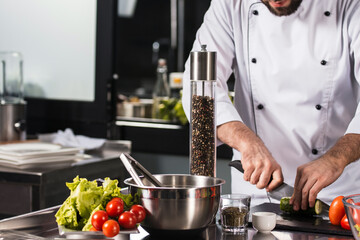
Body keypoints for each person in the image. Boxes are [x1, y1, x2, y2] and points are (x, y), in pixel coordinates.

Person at [182, 0, 360, 211]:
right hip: (256, 192)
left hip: (338, 197)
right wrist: (247, 143)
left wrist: (335, 159)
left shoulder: (349, 4)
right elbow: (198, 90)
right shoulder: (230, 4)